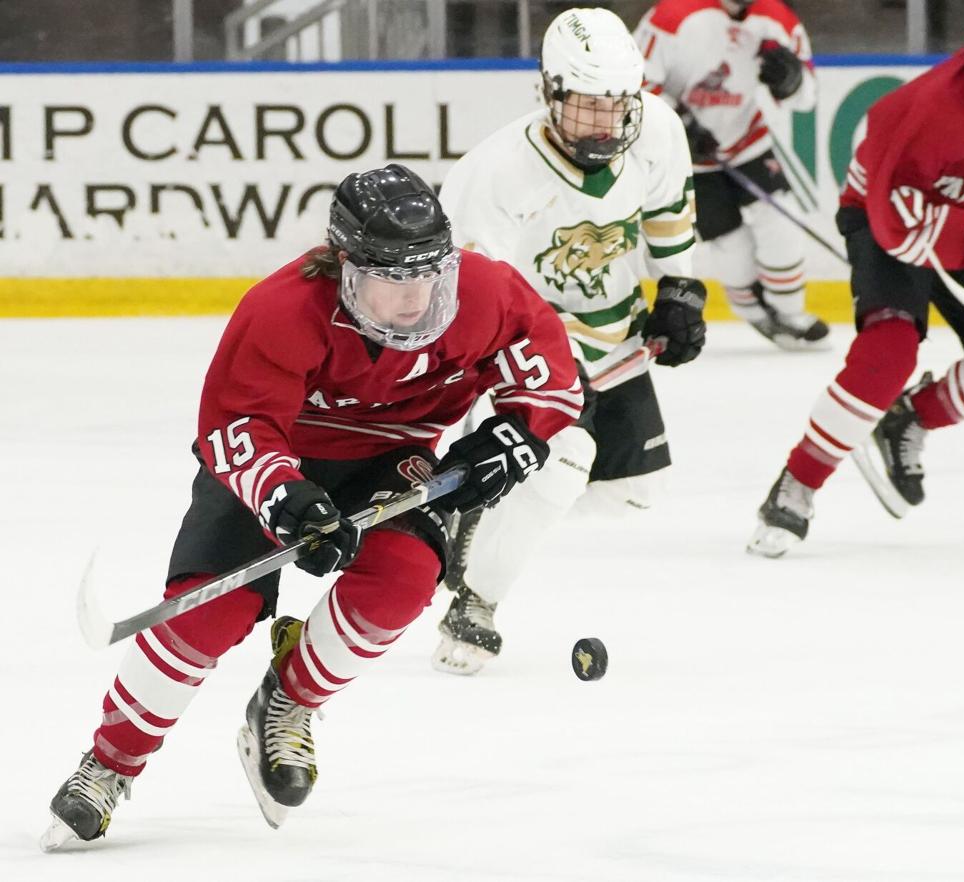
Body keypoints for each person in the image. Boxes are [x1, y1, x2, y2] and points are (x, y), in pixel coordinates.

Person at [40, 164, 584, 848]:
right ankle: (109, 764)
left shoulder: (484, 292)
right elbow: (235, 426)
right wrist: (283, 496)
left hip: (391, 458)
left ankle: (287, 702)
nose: (415, 297)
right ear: (344, 265)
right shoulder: (282, 310)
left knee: (404, 580)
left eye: (428, 274)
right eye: (392, 278)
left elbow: (552, 375)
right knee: (210, 612)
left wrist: (515, 434)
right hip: (279, 461)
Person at [747, 0, 964, 557]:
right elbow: (897, 229)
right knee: (886, 356)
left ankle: (909, 418)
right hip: (886, 214)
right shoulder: (922, 113)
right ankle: (797, 484)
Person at [429, 7, 706, 675]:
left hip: (612, 338)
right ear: (549, 93)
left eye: (615, 105)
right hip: (523, 348)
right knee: (565, 461)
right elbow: (473, 301)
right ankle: (475, 602)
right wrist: (540, 368)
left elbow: (669, 215)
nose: (604, 124)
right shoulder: (495, 172)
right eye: (584, 107)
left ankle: (485, 513)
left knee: (632, 490)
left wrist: (679, 293)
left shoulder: (658, 132)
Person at [635, 0, 830, 351]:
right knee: (730, 242)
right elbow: (635, 80)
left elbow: (807, 98)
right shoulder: (671, 15)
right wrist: (678, 122)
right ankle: (755, 313)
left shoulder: (777, 18)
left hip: (748, 142)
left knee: (781, 221)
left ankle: (790, 312)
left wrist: (792, 81)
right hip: (687, 157)